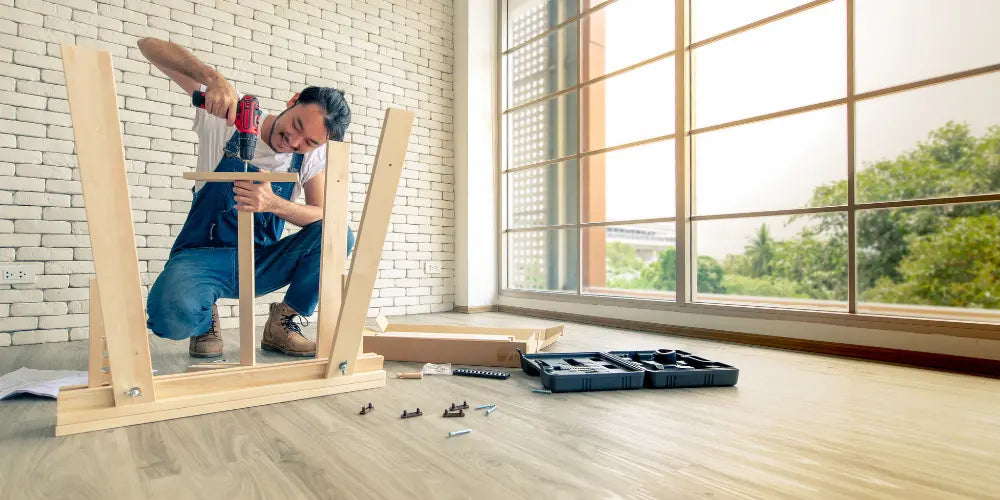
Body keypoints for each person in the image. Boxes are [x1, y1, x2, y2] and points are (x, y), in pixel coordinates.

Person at [137, 37, 354, 358]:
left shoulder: (309, 158)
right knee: (170, 319)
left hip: (259, 261)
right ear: (293, 101)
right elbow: (147, 46)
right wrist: (213, 79)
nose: (293, 141)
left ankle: (282, 323)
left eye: (308, 142)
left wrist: (274, 204)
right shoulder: (232, 115)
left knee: (338, 234)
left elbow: (325, 214)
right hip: (203, 256)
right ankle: (203, 316)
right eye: (296, 125)